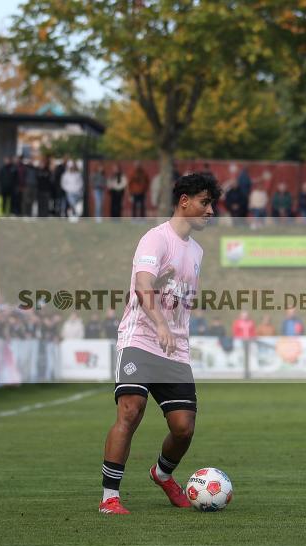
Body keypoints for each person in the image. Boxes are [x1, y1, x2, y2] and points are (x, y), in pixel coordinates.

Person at [100, 172, 219, 515]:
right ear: (185, 202)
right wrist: (161, 325)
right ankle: (110, 497)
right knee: (131, 411)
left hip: (175, 347)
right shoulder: (156, 239)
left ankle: (162, 474)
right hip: (140, 338)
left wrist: (175, 330)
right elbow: (143, 285)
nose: (210, 211)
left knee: (183, 428)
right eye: (204, 202)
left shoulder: (196, 251)